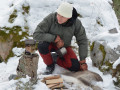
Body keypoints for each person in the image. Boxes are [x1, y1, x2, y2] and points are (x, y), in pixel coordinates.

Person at [33, 2, 88, 75]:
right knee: (42, 45)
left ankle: (55, 58)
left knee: (75, 67)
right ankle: (50, 64)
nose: (59, 18)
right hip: (49, 44)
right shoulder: (51, 18)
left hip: (63, 47)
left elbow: (82, 40)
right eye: (58, 14)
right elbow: (36, 34)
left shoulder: (76, 23)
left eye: (62, 16)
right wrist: (54, 38)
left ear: (68, 17)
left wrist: (82, 61)